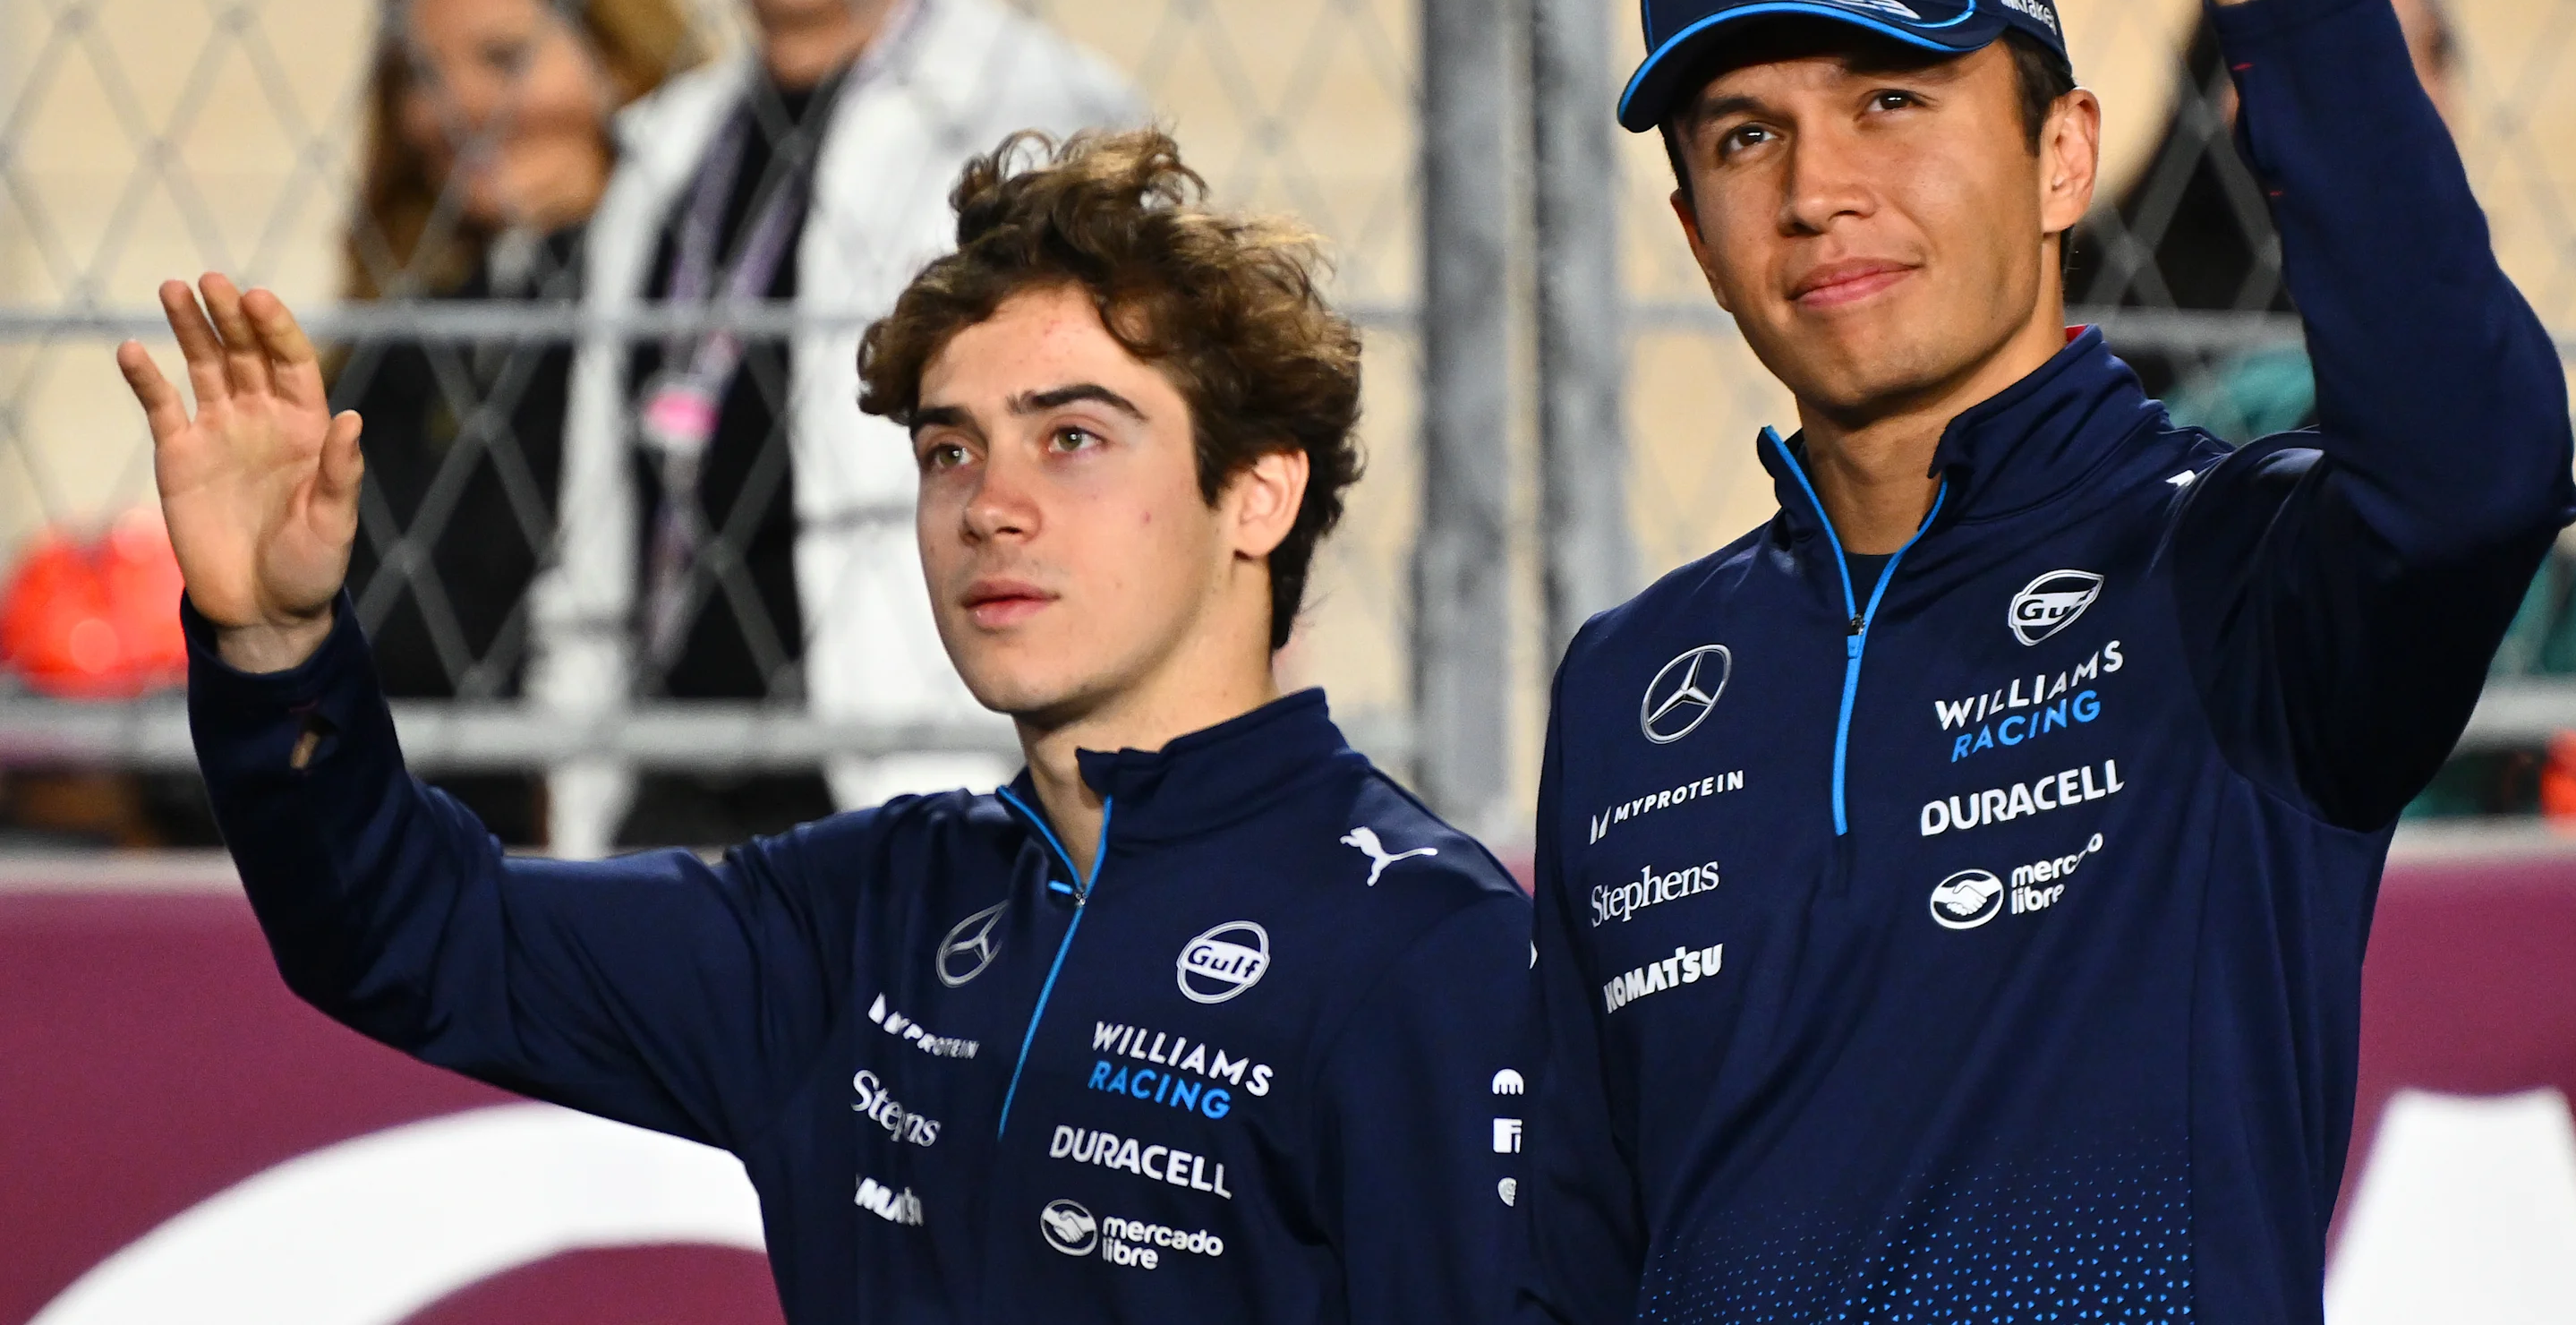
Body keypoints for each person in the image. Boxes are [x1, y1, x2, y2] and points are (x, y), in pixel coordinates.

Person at [1517, 0, 2576, 1319]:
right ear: (1695, 238)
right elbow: (1568, 1262)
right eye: (1744, 136)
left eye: (1890, 101)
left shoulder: (2230, 580)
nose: (1814, 189)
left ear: (2062, 155)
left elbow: (2478, 468)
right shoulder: (1634, 680)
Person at [117, 129, 1529, 1322]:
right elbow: (412, 935)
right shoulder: (862, 917)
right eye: (949, 449)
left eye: (1076, 438)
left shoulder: (1423, 949)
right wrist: (273, 642)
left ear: (1260, 496)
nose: (993, 504)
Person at [530, 0, 1144, 854]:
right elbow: (599, 548)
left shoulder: (1049, 124)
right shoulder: (660, 163)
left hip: (934, 827)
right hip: (671, 828)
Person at [334, 0, 699, 843]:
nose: (453, 107)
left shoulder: (686, 315)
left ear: (620, 62)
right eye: (420, 72)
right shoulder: (406, 327)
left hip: (567, 812)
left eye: (503, 58)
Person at [2068, 0, 2458, 401]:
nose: (2425, 96)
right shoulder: (2092, 318)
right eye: (2366, 58)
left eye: (2436, 52)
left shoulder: (2443, 312)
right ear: (2238, 94)